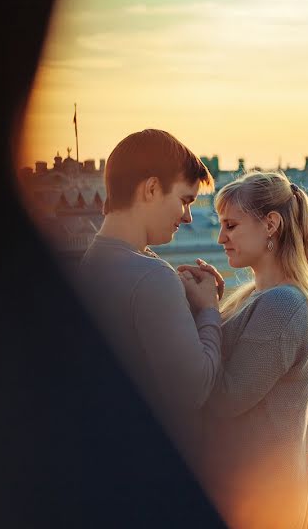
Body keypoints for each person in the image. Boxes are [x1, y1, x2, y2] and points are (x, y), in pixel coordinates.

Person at [182, 171, 308, 529]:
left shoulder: (284, 304)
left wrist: (205, 313)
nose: (221, 238)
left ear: (271, 225)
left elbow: (223, 398)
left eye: (231, 225)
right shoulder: (255, 295)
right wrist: (208, 309)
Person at [77, 129, 224, 471]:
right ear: (152, 188)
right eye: (185, 200)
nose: (188, 217)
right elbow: (196, 389)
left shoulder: (90, 262)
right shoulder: (151, 277)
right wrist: (208, 311)